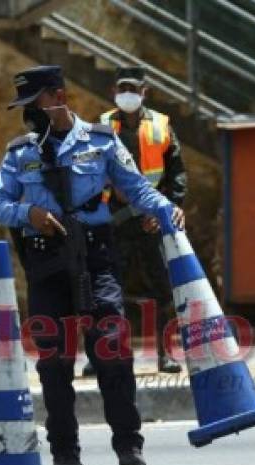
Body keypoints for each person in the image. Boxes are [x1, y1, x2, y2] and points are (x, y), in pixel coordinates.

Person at [0, 65, 185, 465]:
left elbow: (137, 188)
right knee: (55, 362)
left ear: (57, 96)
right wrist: (31, 213)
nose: (29, 115)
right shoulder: (19, 151)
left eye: (34, 104)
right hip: (46, 263)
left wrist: (167, 210)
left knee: (112, 349)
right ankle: (65, 455)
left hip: (95, 258)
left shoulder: (100, 141)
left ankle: (129, 446)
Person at [81, 66, 187, 377]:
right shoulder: (101, 126)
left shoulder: (161, 126)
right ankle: (102, 353)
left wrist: (169, 209)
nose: (127, 94)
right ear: (115, 92)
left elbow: (176, 173)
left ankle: (165, 355)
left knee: (163, 289)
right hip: (112, 220)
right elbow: (88, 172)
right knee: (105, 288)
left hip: (151, 221)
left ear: (144, 92)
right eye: (121, 88)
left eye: (133, 88)